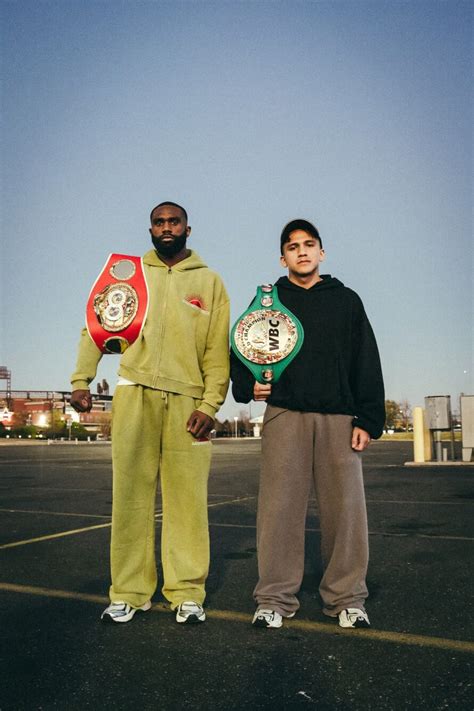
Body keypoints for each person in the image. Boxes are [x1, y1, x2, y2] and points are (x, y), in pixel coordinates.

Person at [70, 202, 230, 624]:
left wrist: (210, 405)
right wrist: (81, 380)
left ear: (188, 229)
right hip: (134, 394)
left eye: (173, 221)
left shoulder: (209, 282)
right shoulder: (129, 276)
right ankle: (129, 591)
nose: (165, 228)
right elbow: (97, 326)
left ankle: (186, 591)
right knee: (130, 498)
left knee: (187, 502)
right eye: (158, 222)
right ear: (150, 229)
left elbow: (217, 352)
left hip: (187, 404)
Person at [230, 219, 385, 629]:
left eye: (309, 244)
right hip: (285, 413)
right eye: (293, 246)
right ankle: (275, 599)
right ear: (282, 257)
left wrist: (368, 419)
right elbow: (242, 347)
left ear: (322, 253)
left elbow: (365, 360)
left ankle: (347, 597)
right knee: (278, 512)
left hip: (338, 416)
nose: (302, 251)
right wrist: (249, 387)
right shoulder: (268, 301)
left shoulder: (346, 300)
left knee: (346, 512)